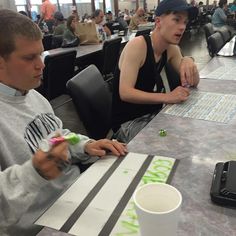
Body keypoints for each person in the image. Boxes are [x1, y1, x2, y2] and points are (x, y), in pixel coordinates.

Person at [0, 9, 127, 236]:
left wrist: (85, 145)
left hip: (77, 196)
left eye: (40, 55)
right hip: (44, 224)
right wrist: (35, 173)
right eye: (30, 58)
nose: (42, 65)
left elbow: (58, 135)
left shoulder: (33, 95)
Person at [112, 0, 200, 143]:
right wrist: (168, 96)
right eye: (176, 20)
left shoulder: (171, 49)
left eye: (185, 22)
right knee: (174, 143)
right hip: (128, 124)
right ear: (158, 22)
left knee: (189, 134)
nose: (182, 27)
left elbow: (193, 82)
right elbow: (125, 92)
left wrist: (189, 61)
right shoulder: (138, 45)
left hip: (153, 115)